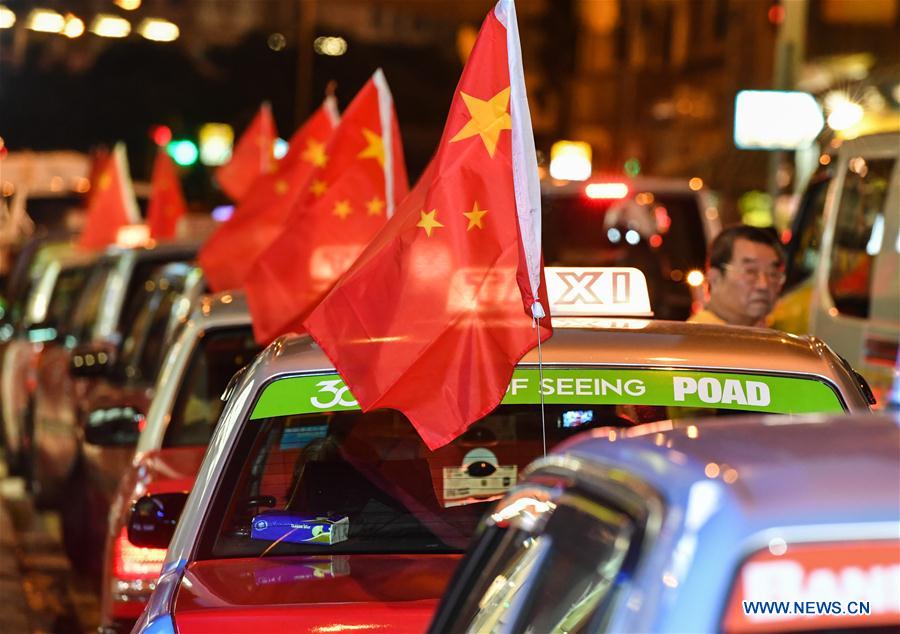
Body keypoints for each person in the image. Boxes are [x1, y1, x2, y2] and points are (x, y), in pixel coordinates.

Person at [690, 225, 785, 327]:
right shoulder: (697, 339)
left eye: (773, 274)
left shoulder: (771, 339)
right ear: (715, 278)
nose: (764, 285)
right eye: (750, 271)